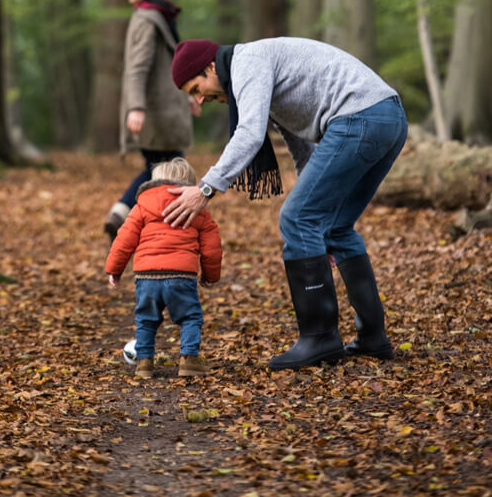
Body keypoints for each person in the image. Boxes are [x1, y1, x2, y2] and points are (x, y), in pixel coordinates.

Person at [164, 38, 408, 371]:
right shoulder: (258, 70)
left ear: (210, 67)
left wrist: (205, 188)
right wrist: (316, 210)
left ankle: (320, 339)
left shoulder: (247, 63)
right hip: (388, 117)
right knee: (335, 227)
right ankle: (373, 338)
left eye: (197, 87)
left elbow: (249, 134)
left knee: (296, 219)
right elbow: (302, 149)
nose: (201, 99)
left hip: (360, 117)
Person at [104, 0, 200, 242]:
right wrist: (136, 107)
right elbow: (137, 67)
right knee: (171, 173)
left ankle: (124, 217)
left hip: (168, 110)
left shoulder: (161, 15)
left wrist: (189, 95)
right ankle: (139, 226)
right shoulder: (147, 19)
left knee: (159, 171)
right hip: (155, 114)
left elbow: (172, 65)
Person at [105, 157, 222, 378]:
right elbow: (212, 247)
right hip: (181, 276)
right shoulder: (197, 210)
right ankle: (188, 361)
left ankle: (144, 364)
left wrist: (115, 269)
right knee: (190, 317)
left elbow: (124, 239)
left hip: (146, 277)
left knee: (146, 320)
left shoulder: (141, 206)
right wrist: (210, 275)